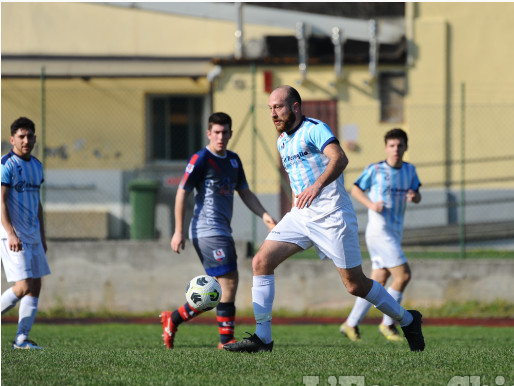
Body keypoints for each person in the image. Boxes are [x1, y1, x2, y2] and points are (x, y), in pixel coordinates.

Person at [223, 85, 426, 353]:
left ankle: (408, 320)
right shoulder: (282, 140)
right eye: (270, 108)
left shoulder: (315, 128)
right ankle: (263, 338)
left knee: (355, 285)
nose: (273, 113)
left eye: (279, 107)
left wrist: (317, 186)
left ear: (295, 107)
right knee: (261, 261)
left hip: (332, 216)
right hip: (300, 216)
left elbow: (339, 159)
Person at [160, 112, 276, 350]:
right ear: (209, 134)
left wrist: (265, 215)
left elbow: (245, 192)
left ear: (231, 134)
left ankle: (173, 319)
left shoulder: (233, 161)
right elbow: (182, 192)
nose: (221, 136)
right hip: (206, 229)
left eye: (225, 132)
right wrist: (178, 231)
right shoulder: (201, 158)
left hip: (222, 230)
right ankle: (226, 340)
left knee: (217, 287)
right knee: (229, 281)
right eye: (216, 132)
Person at [340, 128, 421, 342]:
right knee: (403, 275)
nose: (396, 149)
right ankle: (388, 324)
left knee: (378, 279)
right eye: (392, 145)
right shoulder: (375, 170)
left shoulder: (410, 170)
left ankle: (350, 324)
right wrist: (371, 205)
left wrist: (415, 196)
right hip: (379, 232)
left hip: (395, 231)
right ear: (386, 148)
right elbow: (356, 189)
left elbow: (417, 194)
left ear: (405, 148)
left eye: (400, 145)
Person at [1, 117, 50, 349]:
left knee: (36, 286)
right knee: (23, 287)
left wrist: (42, 235)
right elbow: (0, 200)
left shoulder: (37, 166)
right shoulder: (6, 164)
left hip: (33, 235)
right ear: (12, 139)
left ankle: (21, 338)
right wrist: (10, 233)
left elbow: (37, 203)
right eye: (21, 136)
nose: (26, 140)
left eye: (30, 136)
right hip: (13, 235)